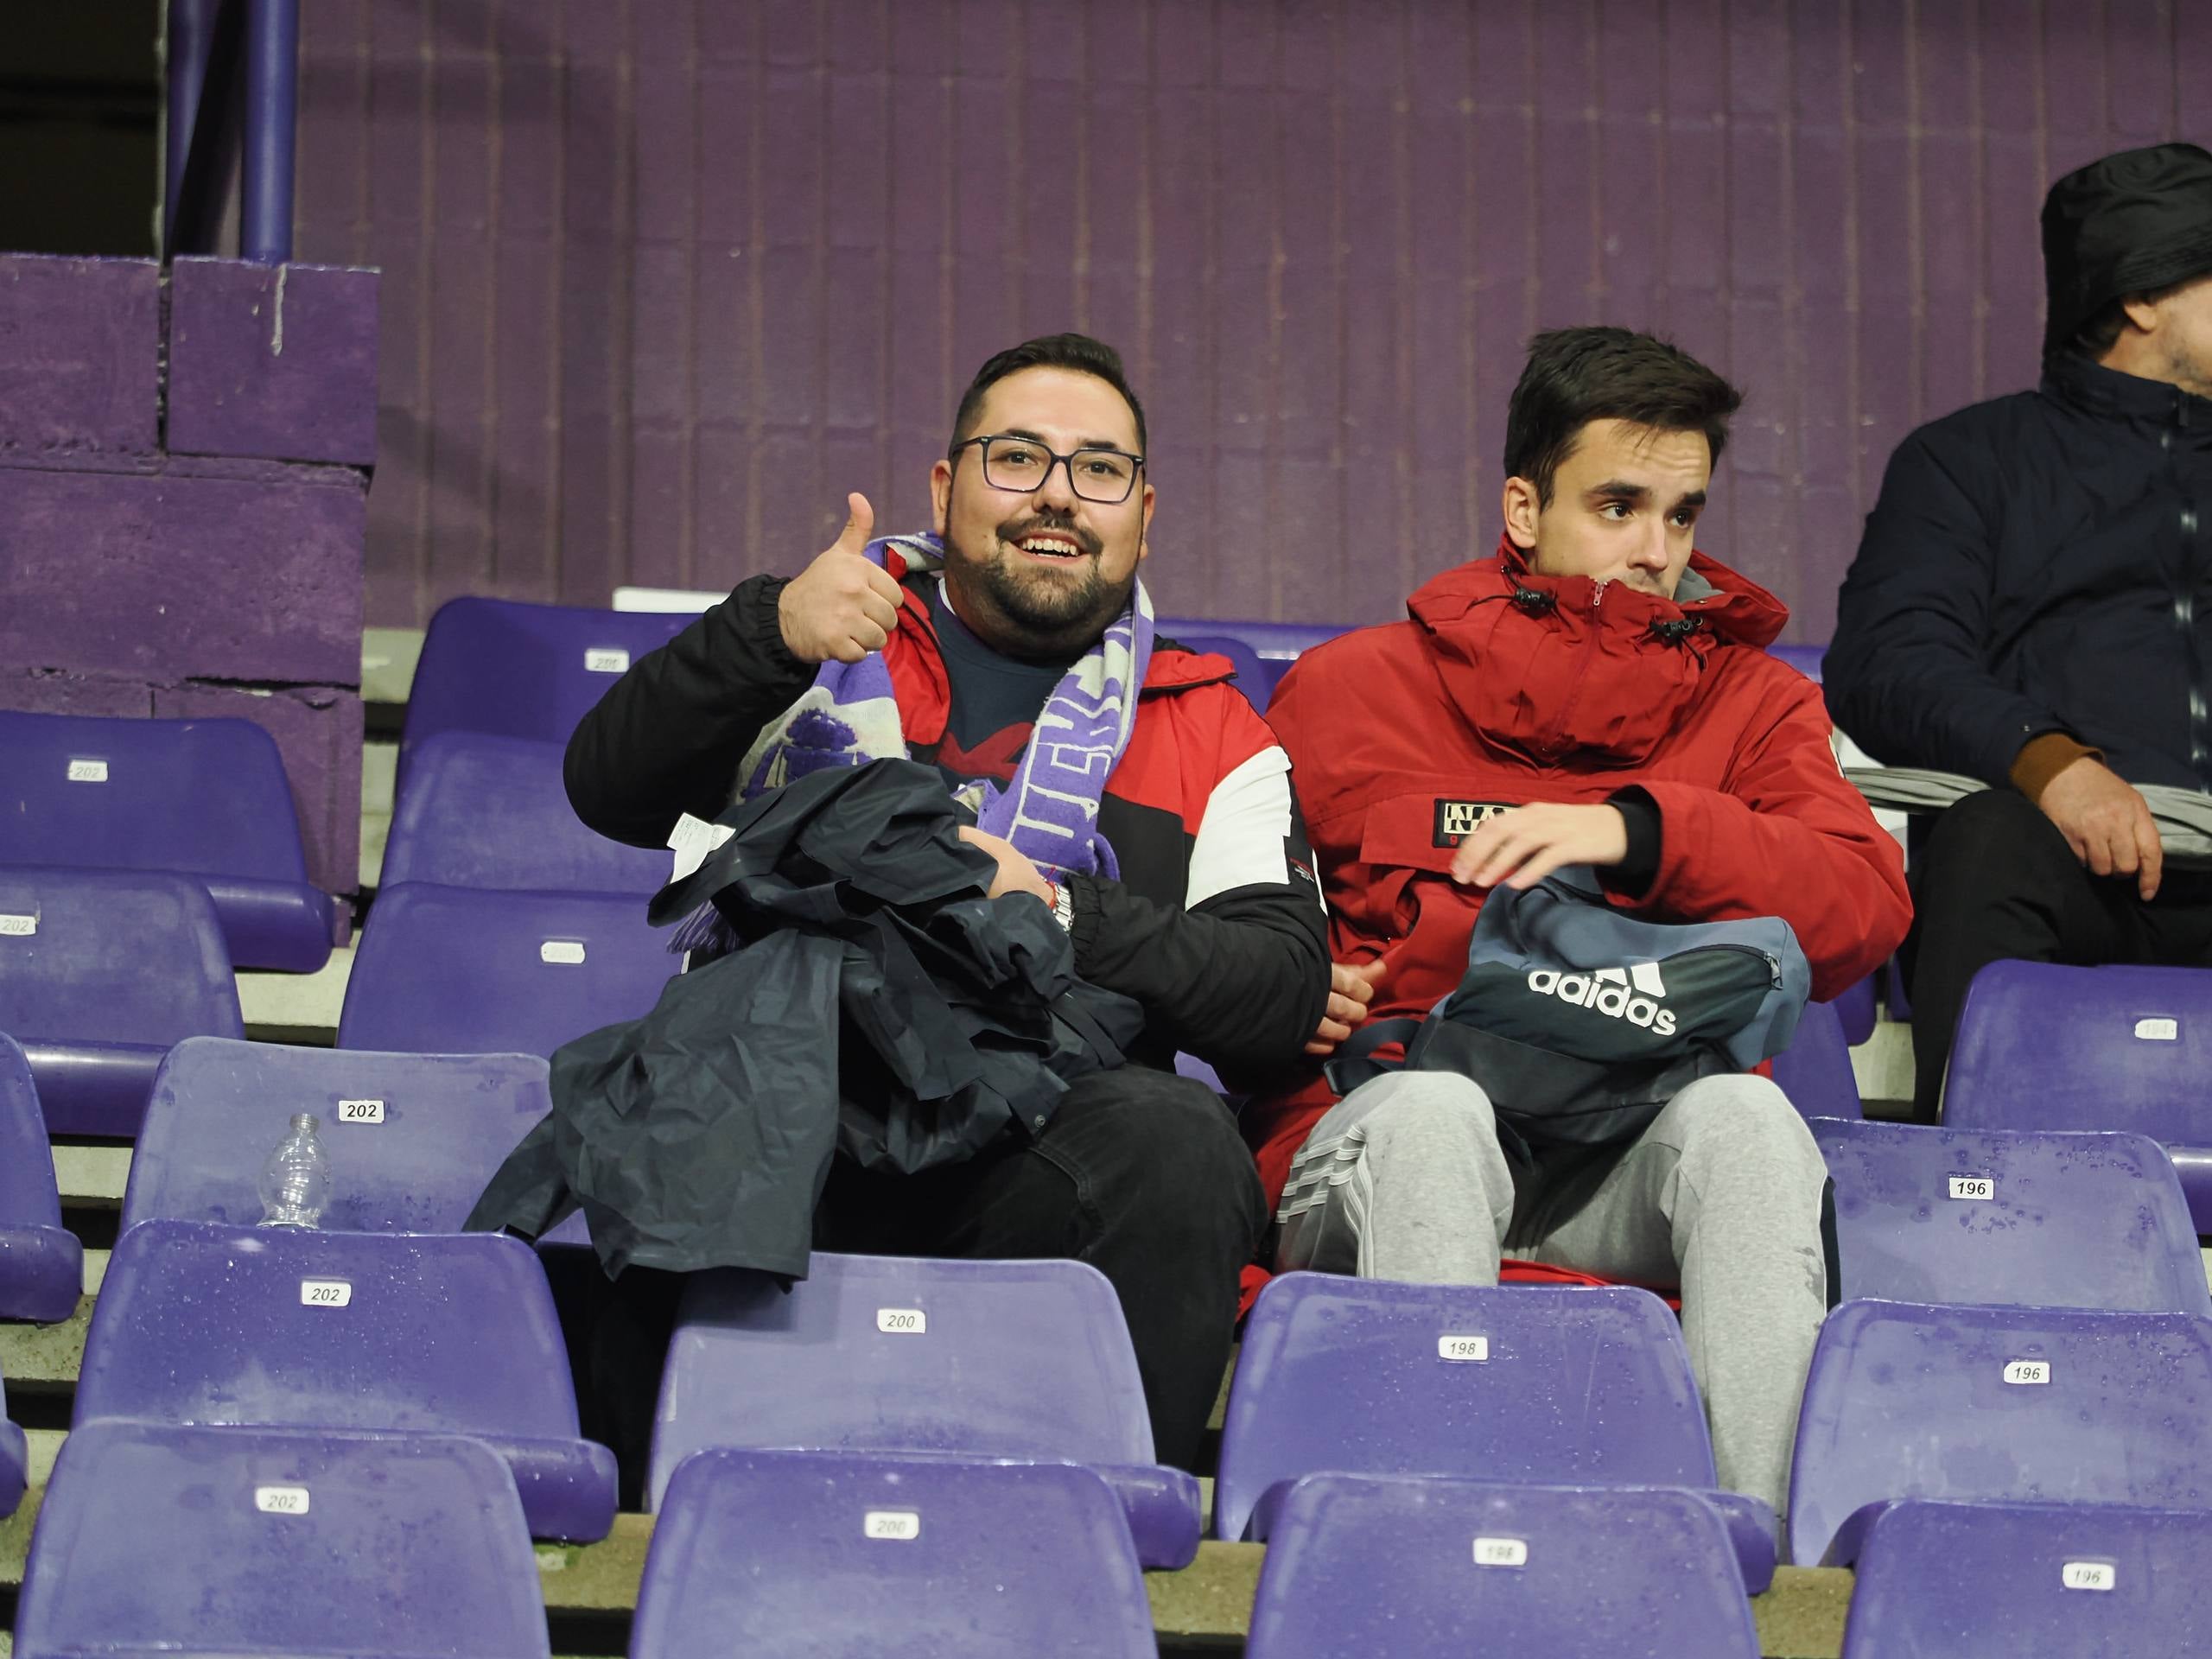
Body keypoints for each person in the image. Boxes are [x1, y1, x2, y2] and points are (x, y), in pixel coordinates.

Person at [563, 333, 1329, 1481]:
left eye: (1100, 470)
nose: (1060, 496)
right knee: (676, 1100)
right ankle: (665, 1549)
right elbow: (608, 787)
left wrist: (1061, 909)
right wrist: (766, 630)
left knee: (1179, 1144)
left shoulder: (1213, 731)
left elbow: (1279, 995)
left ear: (1145, 512)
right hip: (787, 1123)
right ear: (945, 485)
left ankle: (1109, 1552)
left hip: (1036, 1153)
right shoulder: (824, 641)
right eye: (1018, 458)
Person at [1244, 326, 1911, 1522]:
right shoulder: (1351, 690)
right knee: (1440, 1118)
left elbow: (1861, 905)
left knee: (1753, 1125)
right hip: (1391, 1144)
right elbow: (1243, 938)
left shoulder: (1757, 707)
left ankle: (1773, 1581)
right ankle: (1440, 1558)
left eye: (1682, 514)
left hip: (1624, 1151)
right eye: (1618, 505)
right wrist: (1301, 983)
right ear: (1522, 506)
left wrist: (1643, 834)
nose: (1657, 553)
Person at [1825, 143, 2212, 1120]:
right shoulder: (1966, 462)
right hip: (2079, 871)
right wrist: (2048, 762)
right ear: (2141, 300)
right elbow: (1886, 661)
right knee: (1989, 839)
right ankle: (1973, 1203)